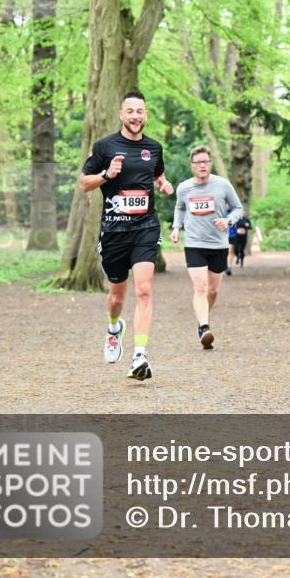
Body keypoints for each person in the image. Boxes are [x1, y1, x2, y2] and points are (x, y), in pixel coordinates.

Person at [79, 90, 174, 380]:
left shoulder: (154, 148)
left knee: (144, 289)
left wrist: (163, 184)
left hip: (145, 229)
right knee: (117, 297)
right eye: (130, 111)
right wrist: (107, 175)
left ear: (146, 115)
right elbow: (84, 183)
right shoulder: (105, 146)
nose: (135, 116)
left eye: (140, 111)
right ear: (122, 114)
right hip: (114, 232)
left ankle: (139, 355)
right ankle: (113, 327)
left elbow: (156, 174)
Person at [170, 146, 244, 349]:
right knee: (200, 287)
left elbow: (239, 208)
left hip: (218, 244)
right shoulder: (184, 188)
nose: (202, 165)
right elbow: (179, 207)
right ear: (192, 166)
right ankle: (204, 327)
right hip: (194, 244)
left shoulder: (223, 185)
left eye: (205, 161)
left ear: (210, 163)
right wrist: (176, 227)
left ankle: (202, 319)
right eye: (198, 162)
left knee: (213, 290)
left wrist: (228, 221)